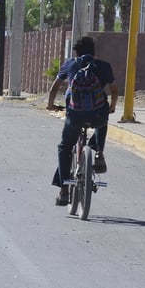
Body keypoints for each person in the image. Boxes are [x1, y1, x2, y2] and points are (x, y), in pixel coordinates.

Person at [46, 36, 119, 206]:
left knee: (65, 147)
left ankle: (64, 191)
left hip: (75, 115)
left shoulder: (70, 64)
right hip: (97, 116)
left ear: (76, 52)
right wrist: (112, 107)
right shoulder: (104, 66)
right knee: (103, 115)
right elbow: (114, 90)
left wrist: (51, 105)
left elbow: (54, 88)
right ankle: (99, 151)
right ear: (93, 51)